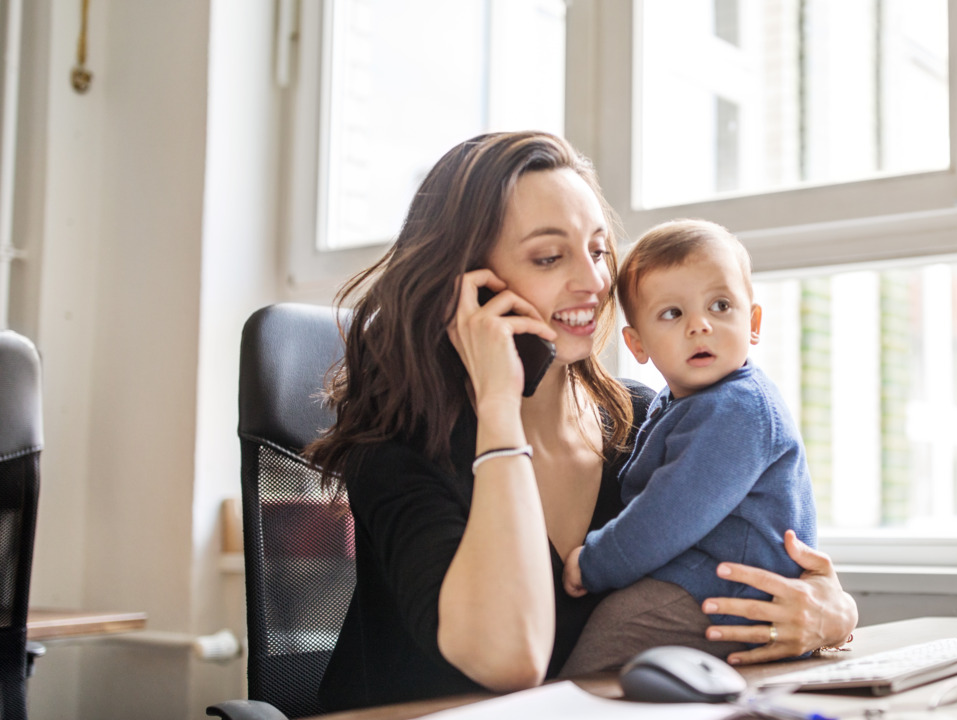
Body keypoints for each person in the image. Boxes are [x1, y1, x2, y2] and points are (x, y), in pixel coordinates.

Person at [304, 131, 857, 712]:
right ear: (467, 286)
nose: (595, 283)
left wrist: (830, 613)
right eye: (549, 257)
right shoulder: (398, 450)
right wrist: (498, 406)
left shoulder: (644, 421)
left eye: (597, 250)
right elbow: (510, 659)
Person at [558, 219, 816, 675]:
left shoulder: (738, 409)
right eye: (672, 314)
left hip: (727, 594)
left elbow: (667, 514)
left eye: (720, 305)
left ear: (752, 322)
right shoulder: (676, 403)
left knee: (598, 654)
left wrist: (594, 563)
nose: (700, 326)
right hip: (708, 585)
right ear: (637, 343)